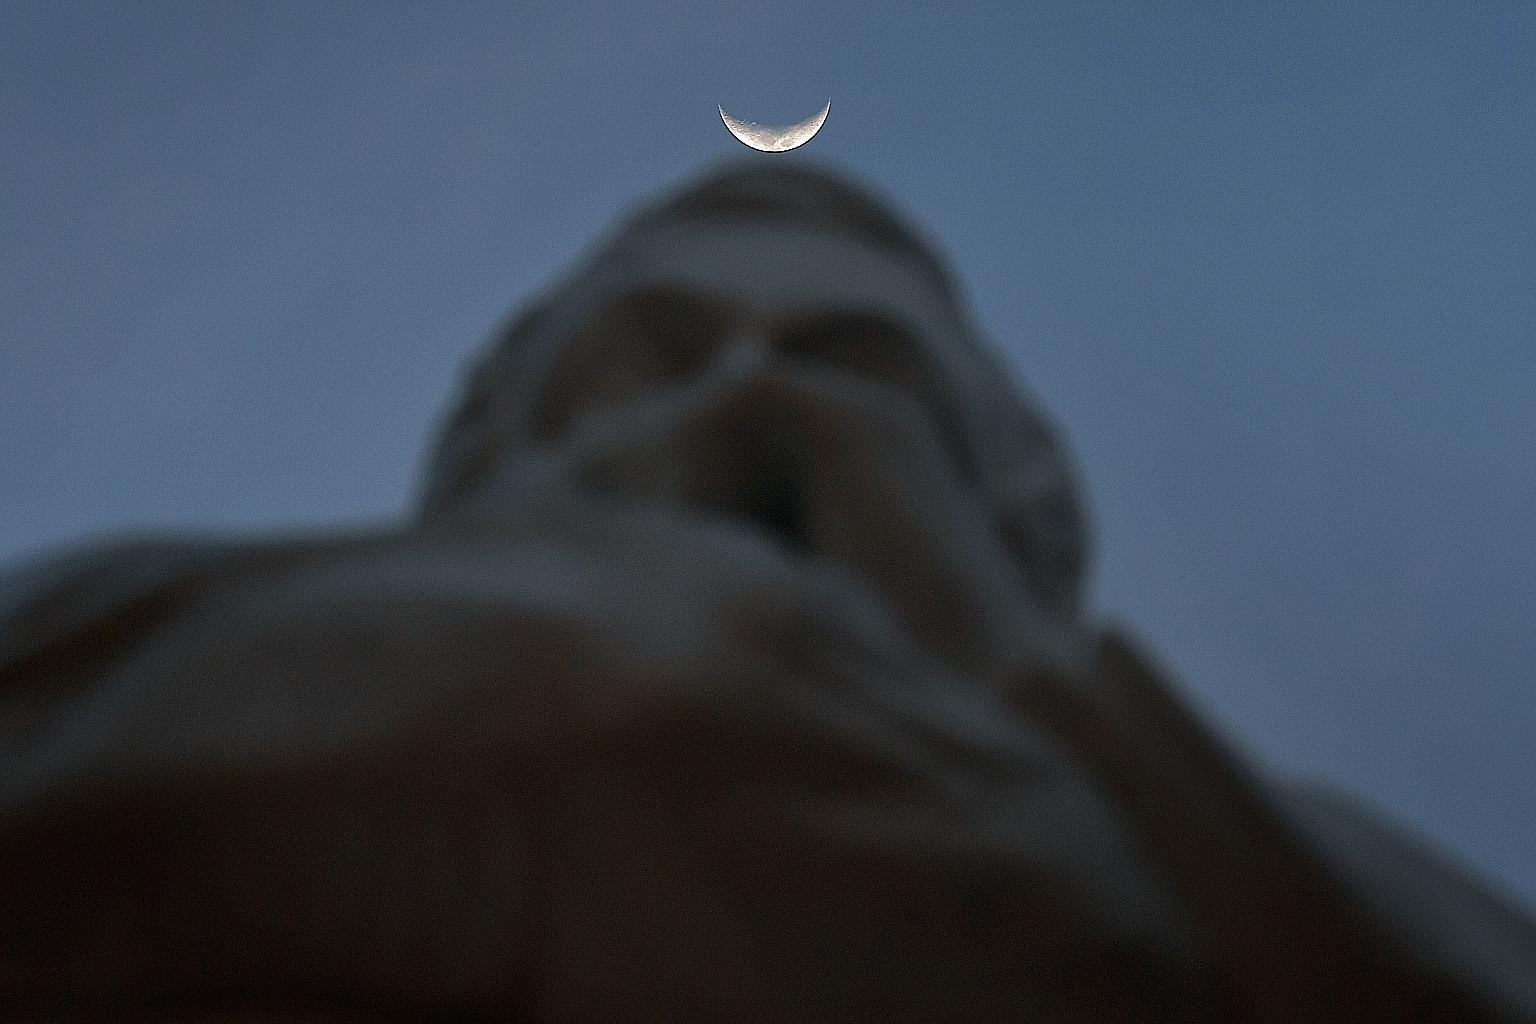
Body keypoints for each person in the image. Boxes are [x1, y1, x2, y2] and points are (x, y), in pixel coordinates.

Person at [2, 162, 1532, 1022]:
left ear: (1024, 509)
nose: (749, 408)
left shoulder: (1357, 911)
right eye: (652, 361)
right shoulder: (111, 684)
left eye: (855, 383)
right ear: (483, 435)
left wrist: (1016, 737)